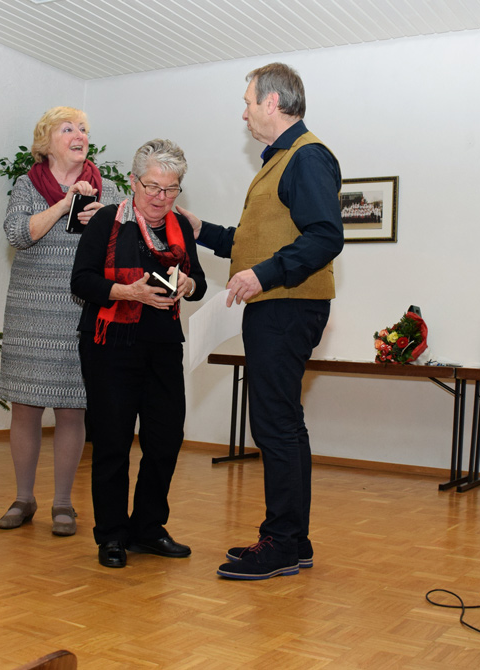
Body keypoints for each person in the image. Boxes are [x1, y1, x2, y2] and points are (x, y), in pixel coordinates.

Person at [179, 62, 343, 580]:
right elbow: (250, 244)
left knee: (275, 424)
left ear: (273, 103)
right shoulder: (279, 162)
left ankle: (280, 543)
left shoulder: (307, 156)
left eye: (248, 101)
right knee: (282, 423)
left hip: (287, 306)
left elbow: (324, 236)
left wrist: (264, 276)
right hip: (280, 304)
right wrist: (199, 228)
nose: (244, 112)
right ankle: (292, 540)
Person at [70, 139, 206, 568]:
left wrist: (189, 285)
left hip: (164, 345)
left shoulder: (181, 226)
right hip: (110, 345)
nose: (160, 198)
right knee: (112, 442)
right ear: (132, 182)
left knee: (165, 439)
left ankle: (148, 529)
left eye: (170, 190)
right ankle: (111, 535)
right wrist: (127, 292)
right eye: (152, 187)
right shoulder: (107, 221)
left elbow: (198, 280)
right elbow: (82, 281)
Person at [0, 106, 119, 536]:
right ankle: (23, 498)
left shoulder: (110, 187)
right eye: (67, 128)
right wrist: (64, 205)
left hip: (82, 312)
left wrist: (104, 215)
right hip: (31, 311)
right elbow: (17, 234)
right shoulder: (27, 185)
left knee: (73, 408)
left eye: (84, 127)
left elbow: (135, 236)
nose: (79, 133)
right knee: (26, 408)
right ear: (46, 142)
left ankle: (63, 504)